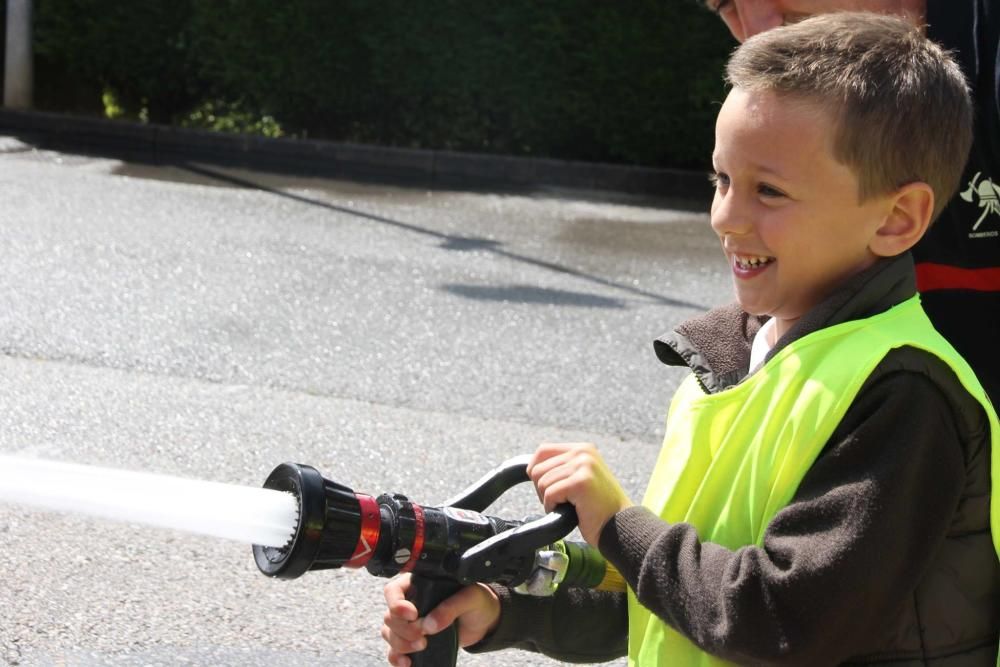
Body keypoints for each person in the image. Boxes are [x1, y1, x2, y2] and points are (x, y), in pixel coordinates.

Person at [381, 13, 1000, 666]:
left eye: (769, 191)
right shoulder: (741, 360)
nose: (726, 217)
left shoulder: (904, 395)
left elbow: (777, 618)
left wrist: (620, 525)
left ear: (898, 218)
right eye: (722, 180)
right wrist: (503, 612)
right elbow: (677, 592)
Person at [706, 0, 1000, 427]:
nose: (758, 27)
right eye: (725, 6)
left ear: (901, 216)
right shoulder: (732, 344)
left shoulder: (904, 406)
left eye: (769, 190)